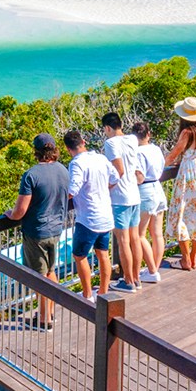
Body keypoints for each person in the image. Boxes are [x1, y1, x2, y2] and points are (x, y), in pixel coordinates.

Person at [3, 132, 71, 328]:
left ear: (36, 152)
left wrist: (11, 214)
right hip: (56, 229)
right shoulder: (63, 170)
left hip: (37, 232)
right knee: (50, 271)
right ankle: (49, 313)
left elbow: (20, 211)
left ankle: (43, 320)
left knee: (39, 278)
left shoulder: (31, 175)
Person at [164, 97, 196, 270]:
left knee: (182, 215)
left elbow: (173, 155)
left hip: (188, 175)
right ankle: (193, 257)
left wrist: (157, 168)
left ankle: (185, 258)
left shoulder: (187, 133)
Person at [64, 128, 114, 300]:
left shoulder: (76, 163)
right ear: (83, 142)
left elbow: (73, 189)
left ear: (68, 149)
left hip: (88, 218)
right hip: (106, 214)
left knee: (79, 255)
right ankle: (104, 292)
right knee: (103, 254)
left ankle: (87, 295)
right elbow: (114, 178)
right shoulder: (100, 158)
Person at [100, 112, 144, 291]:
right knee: (135, 239)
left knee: (123, 241)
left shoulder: (110, 143)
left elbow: (119, 169)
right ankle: (137, 278)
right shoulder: (132, 139)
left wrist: (106, 188)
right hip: (134, 194)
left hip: (120, 197)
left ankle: (128, 281)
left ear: (107, 128)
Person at [131, 121, 166, 279]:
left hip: (145, 191)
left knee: (139, 234)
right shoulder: (156, 149)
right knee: (157, 233)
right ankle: (154, 269)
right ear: (148, 134)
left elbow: (139, 177)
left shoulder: (137, 153)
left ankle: (152, 271)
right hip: (158, 188)